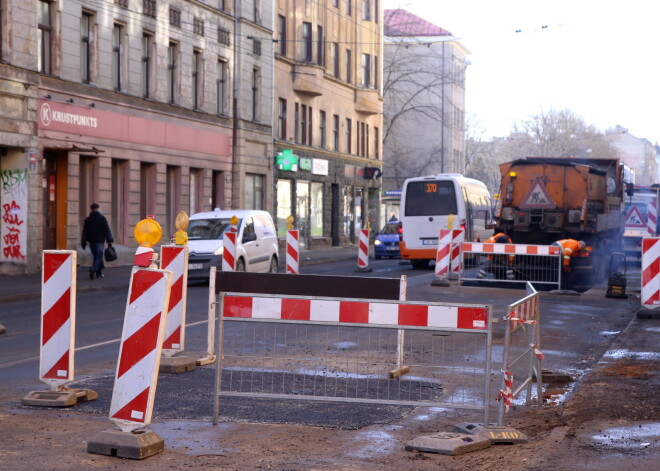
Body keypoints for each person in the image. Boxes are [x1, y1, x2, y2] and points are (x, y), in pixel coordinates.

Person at [81, 203, 114, 279]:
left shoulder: (88, 220)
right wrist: (109, 241)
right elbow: (106, 230)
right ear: (97, 209)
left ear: (91, 209)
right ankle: (93, 269)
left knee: (95, 256)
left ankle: (98, 273)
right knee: (98, 256)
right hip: (100, 241)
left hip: (91, 241)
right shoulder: (102, 219)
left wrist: (84, 241)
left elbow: (85, 231)